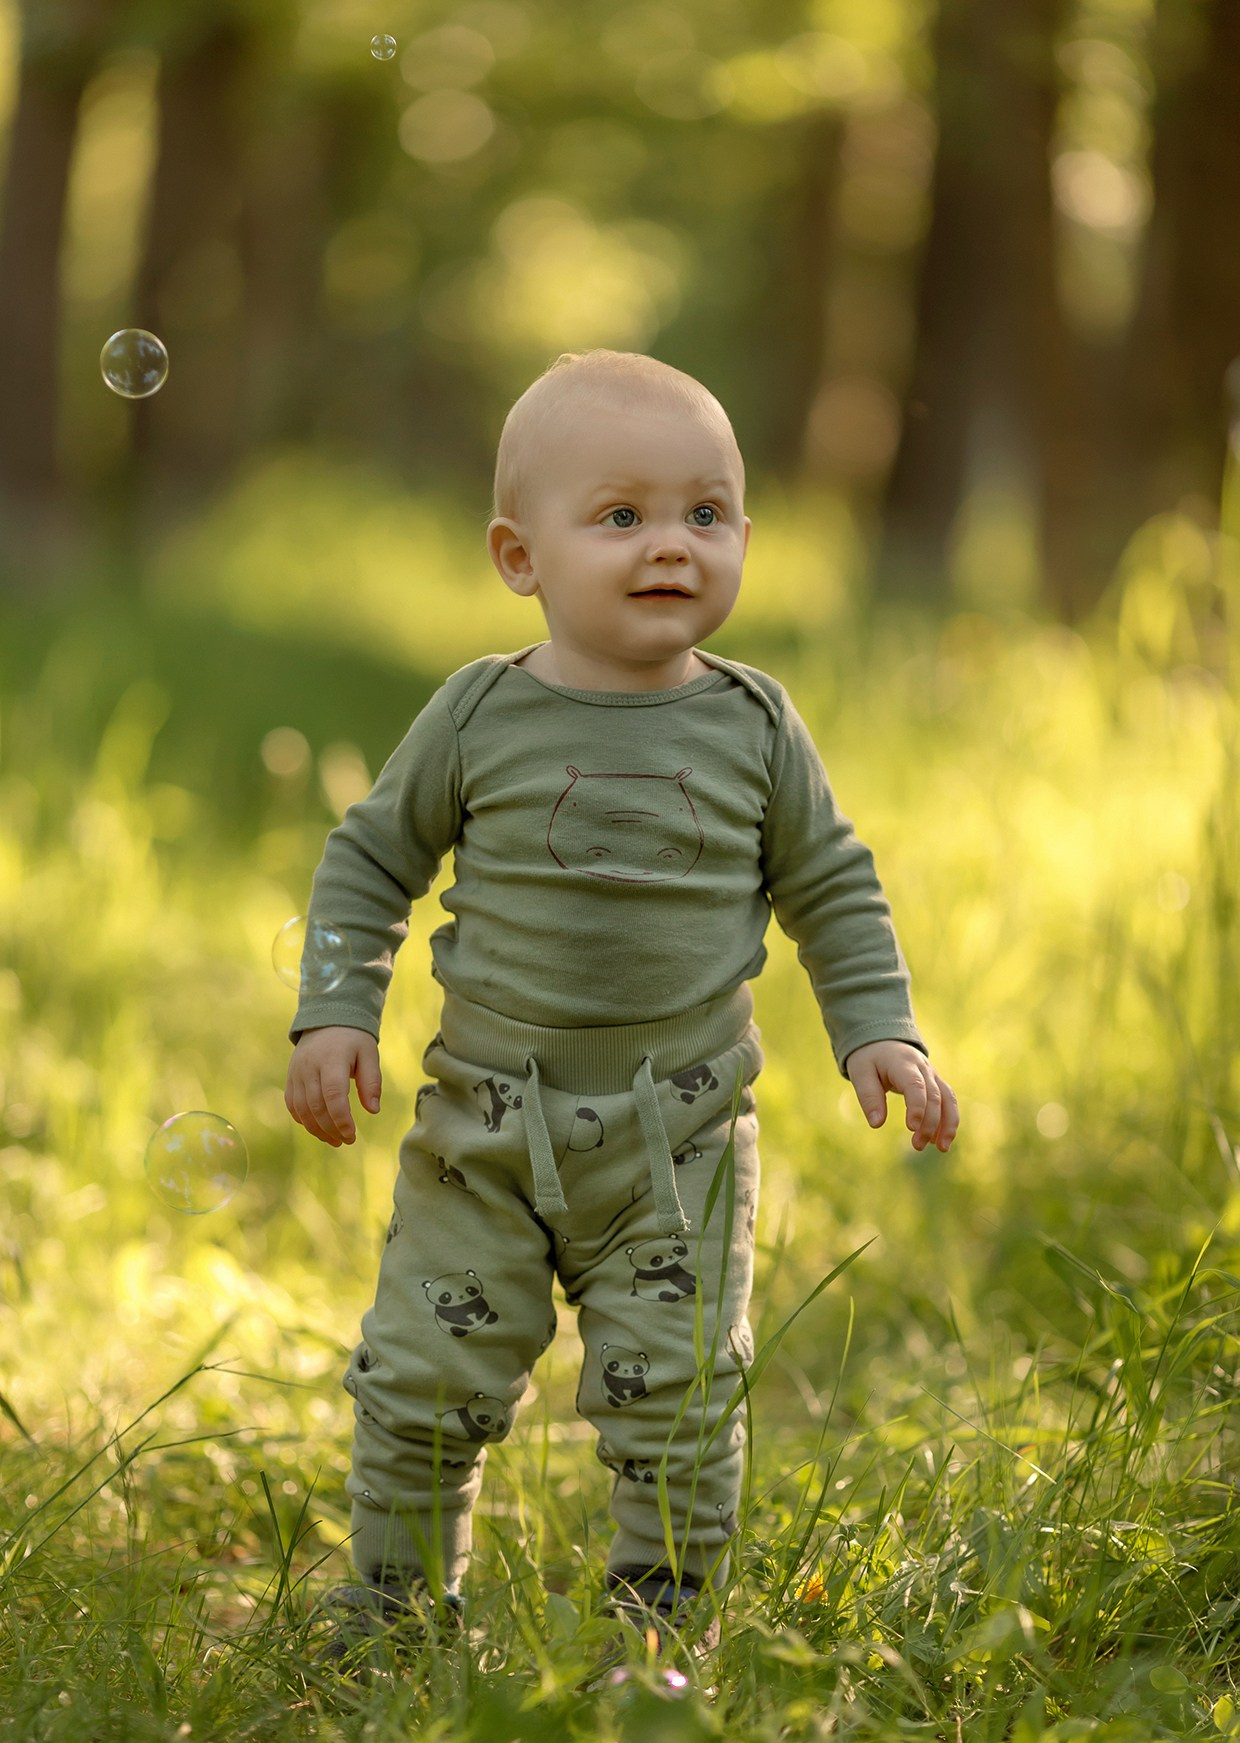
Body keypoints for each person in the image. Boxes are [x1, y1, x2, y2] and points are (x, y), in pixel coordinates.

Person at [284, 348, 959, 1670]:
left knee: (682, 1396)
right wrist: (335, 1010)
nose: (671, 544)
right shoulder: (479, 713)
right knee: (423, 1376)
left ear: (746, 535)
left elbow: (832, 883)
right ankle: (396, 1612)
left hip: (678, 1143)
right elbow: (369, 858)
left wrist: (880, 1027)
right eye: (621, 515)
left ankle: (662, 1631)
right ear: (519, 556)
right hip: (485, 1130)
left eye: (706, 513)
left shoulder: (755, 726)